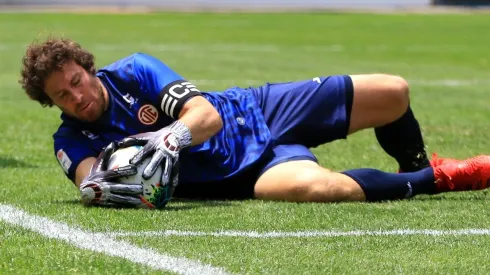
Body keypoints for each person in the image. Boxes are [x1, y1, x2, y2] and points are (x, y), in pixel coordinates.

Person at [19, 37, 490, 208]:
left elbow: (205, 115)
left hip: (256, 110)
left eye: (77, 81)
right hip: (241, 174)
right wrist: (121, 179)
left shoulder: (134, 71)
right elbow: (93, 185)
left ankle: (416, 160)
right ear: (50, 101)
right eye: (62, 94)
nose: (77, 96)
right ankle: (440, 179)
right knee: (320, 189)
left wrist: (168, 139)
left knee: (392, 91)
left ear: (86, 66)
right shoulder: (70, 137)